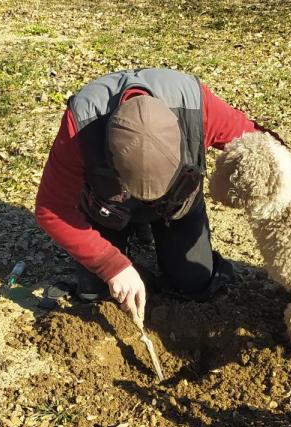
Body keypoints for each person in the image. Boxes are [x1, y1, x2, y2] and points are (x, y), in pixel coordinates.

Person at [34, 68, 272, 321]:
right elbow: (51, 209)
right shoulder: (81, 124)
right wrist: (112, 266)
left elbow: (267, 150)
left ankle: (159, 240)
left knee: (193, 284)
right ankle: (129, 246)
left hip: (176, 207)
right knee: (98, 293)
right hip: (109, 207)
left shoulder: (197, 107)